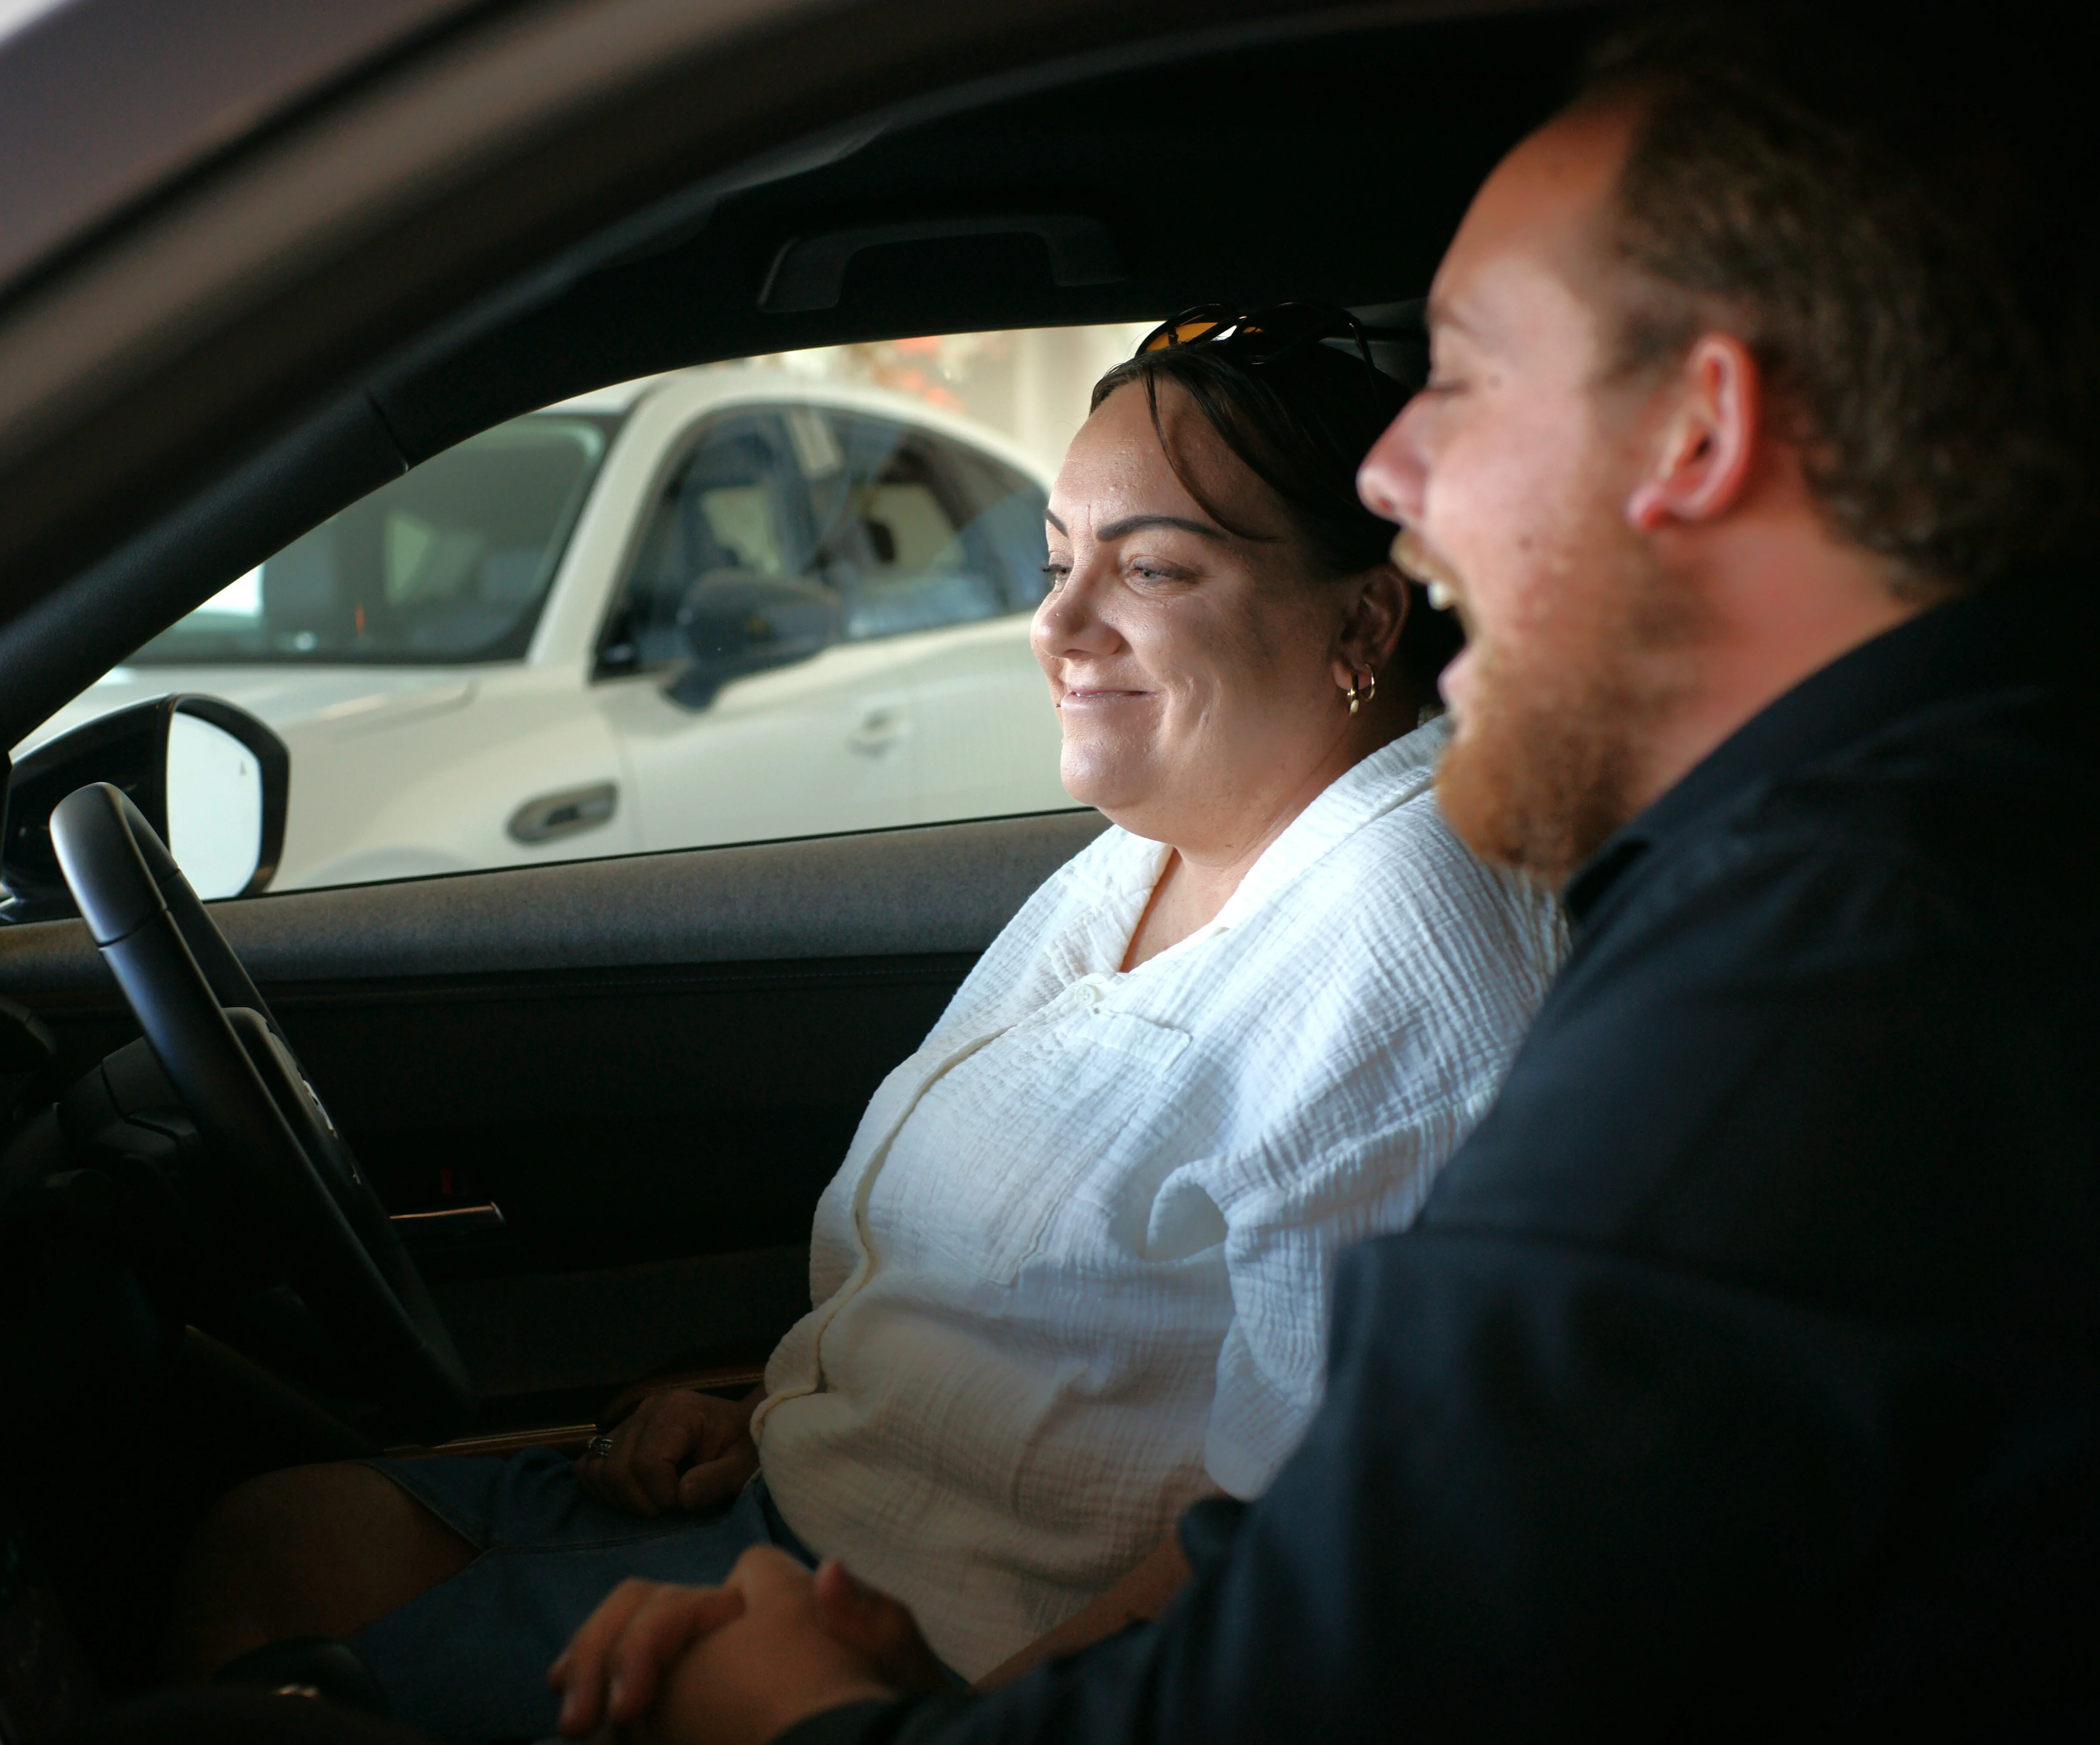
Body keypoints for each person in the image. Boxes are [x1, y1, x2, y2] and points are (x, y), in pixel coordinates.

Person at [544, 4, 2100, 1739]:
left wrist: (797, 1716)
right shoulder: (1884, 874)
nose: (1391, 471)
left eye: (1465, 373)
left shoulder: (1831, 988)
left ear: (1697, 434)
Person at [171, 313, 1566, 1735]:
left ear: (1365, 622)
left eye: (1148, 567)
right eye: (1055, 559)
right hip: (801, 1512)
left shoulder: (1405, 932)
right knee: (273, 1544)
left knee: (249, 1679)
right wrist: (776, 1401)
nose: (1060, 625)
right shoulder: (1177, 841)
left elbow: (1293, 1538)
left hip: (946, 1658)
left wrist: (900, 1729)